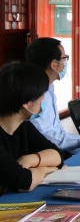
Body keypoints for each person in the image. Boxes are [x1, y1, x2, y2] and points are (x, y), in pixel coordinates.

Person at [25, 38, 80, 155]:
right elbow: (48, 139)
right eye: (64, 59)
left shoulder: (49, 87)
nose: (65, 63)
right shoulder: (35, 96)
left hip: (62, 150)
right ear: (54, 64)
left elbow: (58, 134)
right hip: (51, 155)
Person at [0, 62, 64, 194]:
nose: (43, 99)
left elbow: (57, 155)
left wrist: (30, 159)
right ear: (26, 103)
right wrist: (46, 169)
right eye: (41, 95)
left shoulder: (23, 125)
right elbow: (25, 182)